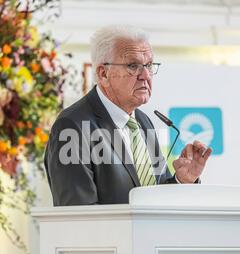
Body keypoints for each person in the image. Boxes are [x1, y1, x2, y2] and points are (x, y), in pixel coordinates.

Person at [44, 25, 212, 206]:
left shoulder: (143, 121)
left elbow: (153, 199)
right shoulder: (73, 127)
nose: (146, 75)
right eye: (133, 66)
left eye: (148, 65)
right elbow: (78, 217)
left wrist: (182, 180)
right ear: (103, 74)